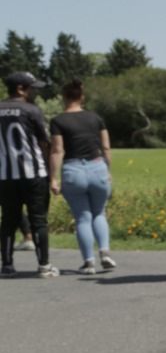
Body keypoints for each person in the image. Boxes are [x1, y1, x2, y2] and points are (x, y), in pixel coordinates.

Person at [49, 80, 116, 275]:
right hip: (97, 168)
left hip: (73, 170)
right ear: (82, 97)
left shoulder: (58, 121)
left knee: (83, 218)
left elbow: (57, 150)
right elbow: (106, 147)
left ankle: (89, 262)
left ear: (64, 97)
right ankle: (105, 253)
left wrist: (53, 178)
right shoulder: (96, 118)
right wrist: (107, 169)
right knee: (99, 213)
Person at [0, 71, 57, 278]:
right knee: (39, 220)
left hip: (5, 175)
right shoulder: (31, 110)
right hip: (33, 173)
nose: (34, 91)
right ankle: (44, 265)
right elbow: (43, 142)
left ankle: (7, 265)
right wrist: (51, 172)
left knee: (8, 221)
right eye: (31, 88)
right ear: (20, 89)